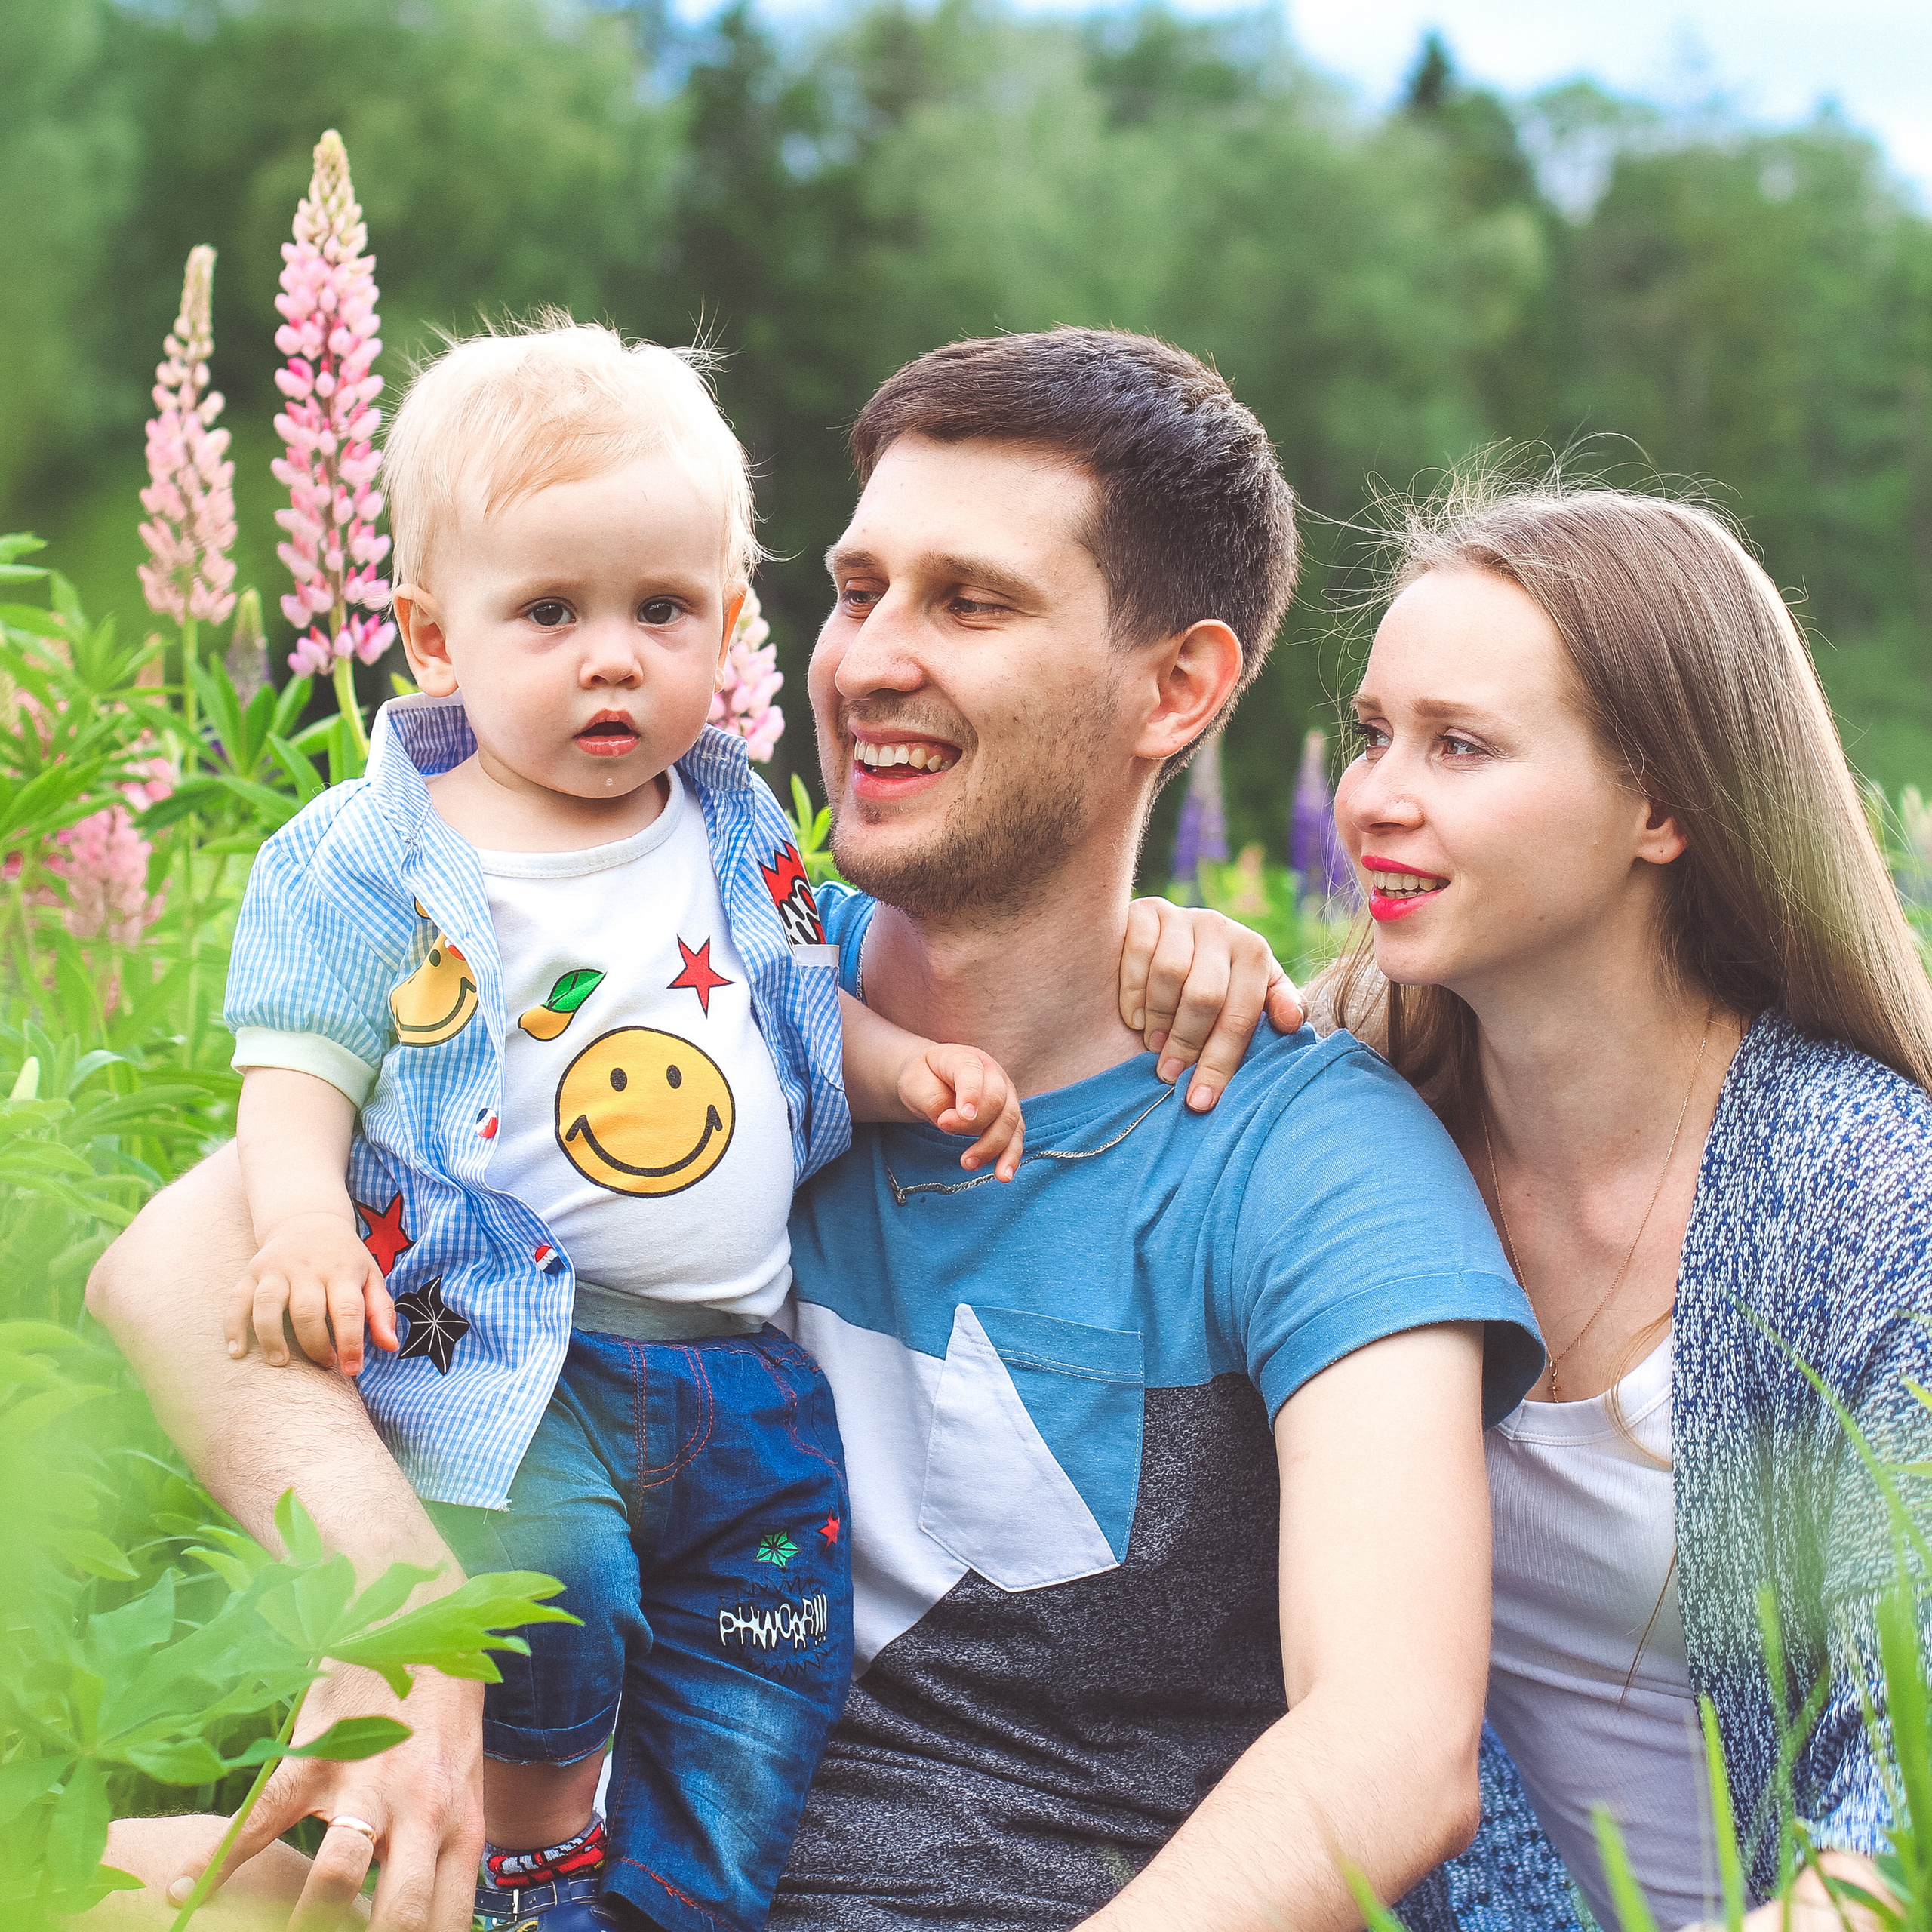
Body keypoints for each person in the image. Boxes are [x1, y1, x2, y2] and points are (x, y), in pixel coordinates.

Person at [88, 326, 1547, 1932]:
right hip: (582, 1867)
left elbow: (1395, 1745)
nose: (865, 662)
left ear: (1178, 686)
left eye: (969, 602)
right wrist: (407, 1601)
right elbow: (172, 1261)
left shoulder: (1307, 1155)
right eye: (857, 591)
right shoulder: (709, 981)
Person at [216, 319, 1029, 1932]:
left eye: (661, 610)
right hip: (508, 1365)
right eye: (549, 613)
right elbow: (293, 1070)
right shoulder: (373, 852)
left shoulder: (730, 820)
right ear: (431, 637)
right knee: (548, 1608)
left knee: (766, 1667)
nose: (612, 657)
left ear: (726, 622)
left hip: (743, 1372)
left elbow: (786, 1007)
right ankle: (521, 1876)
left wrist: (905, 1070)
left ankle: (675, 1904)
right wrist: (300, 1222)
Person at [1310, 480, 1931, 1931]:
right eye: (1373, 733)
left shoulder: (1867, 1192)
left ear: (1662, 807)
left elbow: (1900, 1791)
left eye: (1460, 745)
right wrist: (1171, 958)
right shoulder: (1341, 1116)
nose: (1374, 796)